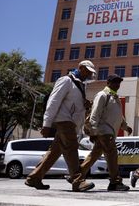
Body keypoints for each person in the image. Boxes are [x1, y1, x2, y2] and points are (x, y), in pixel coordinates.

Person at [25, 60, 96, 192]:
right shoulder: (66, 80)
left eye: (90, 73)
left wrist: (84, 104)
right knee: (71, 147)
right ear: (80, 68)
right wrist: (46, 124)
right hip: (64, 120)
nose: (88, 74)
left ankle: (34, 178)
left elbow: (72, 103)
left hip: (71, 123)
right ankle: (77, 180)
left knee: (54, 152)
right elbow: (53, 101)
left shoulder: (80, 85)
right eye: (87, 71)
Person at [77, 74, 132, 191]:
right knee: (112, 156)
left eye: (118, 82)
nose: (117, 85)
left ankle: (76, 175)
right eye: (114, 82)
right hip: (104, 131)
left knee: (94, 155)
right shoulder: (102, 95)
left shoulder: (114, 97)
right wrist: (94, 132)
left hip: (109, 132)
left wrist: (126, 127)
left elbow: (118, 116)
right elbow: (95, 115)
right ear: (108, 83)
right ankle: (115, 182)